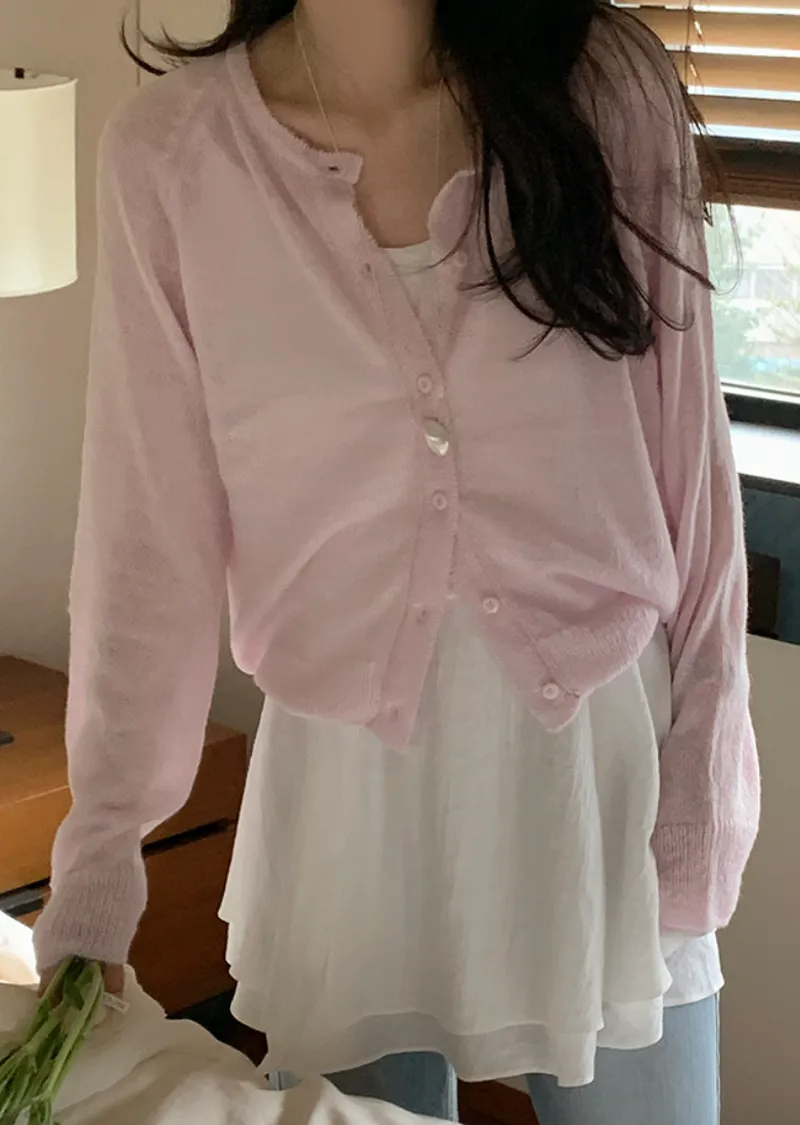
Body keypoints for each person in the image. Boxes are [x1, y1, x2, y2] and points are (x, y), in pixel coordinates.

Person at [34, 2, 760, 1123]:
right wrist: (99, 861)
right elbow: (145, 540)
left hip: (599, 771)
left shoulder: (601, 86)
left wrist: (707, 768)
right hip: (345, 795)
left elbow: (693, 477)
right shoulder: (173, 157)